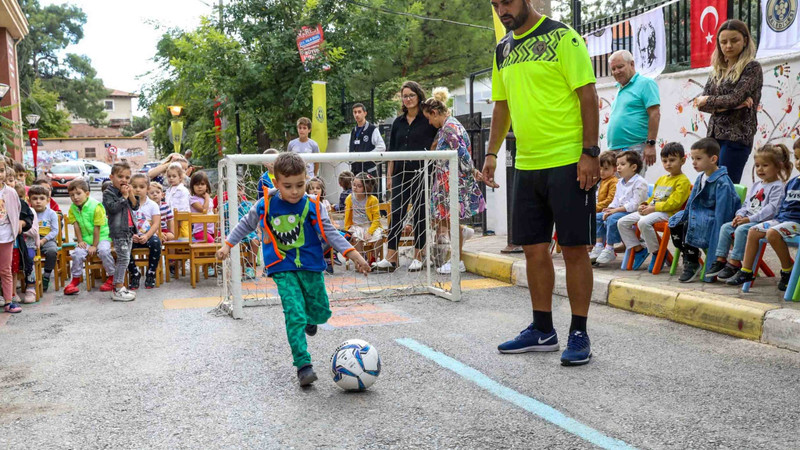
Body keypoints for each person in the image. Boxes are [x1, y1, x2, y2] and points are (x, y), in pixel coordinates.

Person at [483, 0, 599, 366]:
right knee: (533, 249)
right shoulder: (503, 49)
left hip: (568, 160)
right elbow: (502, 106)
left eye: (508, 2)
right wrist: (490, 154)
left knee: (574, 249)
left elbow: (588, 96)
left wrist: (590, 153)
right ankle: (542, 329)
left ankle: (579, 332)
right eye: (496, 4)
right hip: (527, 163)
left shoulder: (563, 37)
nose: (503, 10)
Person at [216, 152, 371, 387]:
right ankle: (303, 364)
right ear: (276, 183)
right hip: (281, 266)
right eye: (287, 186)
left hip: (311, 265)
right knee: (293, 313)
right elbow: (245, 224)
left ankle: (311, 318)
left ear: (306, 179)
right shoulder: (266, 203)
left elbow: (330, 233)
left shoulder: (312, 205)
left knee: (320, 311)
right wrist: (228, 245)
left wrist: (355, 255)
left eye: (300, 185)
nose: (295, 191)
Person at [373, 81, 438, 273]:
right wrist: (390, 176)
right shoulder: (397, 122)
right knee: (397, 213)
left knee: (420, 213)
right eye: (405, 96)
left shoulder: (427, 119)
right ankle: (391, 257)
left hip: (422, 172)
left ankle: (419, 256)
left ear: (419, 96)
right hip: (400, 173)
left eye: (411, 95)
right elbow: (392, 150)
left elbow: (438, 138)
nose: (408, 99)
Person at [420, 87, 486, 275]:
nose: (430, 123)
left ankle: (457, 261)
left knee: (450, 218)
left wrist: (472, 170)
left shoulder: (449, 128)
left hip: (452, 181)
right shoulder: (449, 125)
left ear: (434, 113)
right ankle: (462, 235)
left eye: (429, 118)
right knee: (443, 217)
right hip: (446, 181)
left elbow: (462, 153)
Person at [707, 143, 791, 282]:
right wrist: (739, 215)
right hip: (749, 219)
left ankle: (735, 262)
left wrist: (749, 219)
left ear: (778, 166)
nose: (760, 169)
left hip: (763, 222)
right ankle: (721, 260)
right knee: (726, 227)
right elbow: (746, 204)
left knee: (741, 230)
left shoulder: (778, 186)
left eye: (765, 165)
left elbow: (771, 209)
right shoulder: (757, 185)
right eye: (757, 165)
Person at [694, 19, 763, 184]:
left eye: (734, 40)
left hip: (736, 135)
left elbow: (733, 98)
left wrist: (711, 101)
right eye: (723, 42)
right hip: (713, 137)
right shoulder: (718, 69)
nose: (728, 45)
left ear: (745, 40)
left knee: (726, 185)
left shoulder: (752, 67)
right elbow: (700, 104)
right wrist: (728, 105)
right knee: (710, 185)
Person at [726, 140, 800, 288]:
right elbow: (783, 207)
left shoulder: (781, 185)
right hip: (782, 220)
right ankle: (746, 271)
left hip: (797, 223)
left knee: (772, 233)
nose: (798, 162)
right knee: (753, 230)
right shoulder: (793, 183)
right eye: (797, 158)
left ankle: (787, 271)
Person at [668, 138, 740, 283]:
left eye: (698, 158)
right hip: (699, 214)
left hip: (713, 218)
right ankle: (691, 258)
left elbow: (723, 213)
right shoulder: (701, 177)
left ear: (713, 159)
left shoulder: (722, 182)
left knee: (689, 224)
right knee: (676, 222)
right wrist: (684, 215)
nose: (694, 162)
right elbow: (691, 202)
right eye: (693, 158)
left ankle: (693, 262)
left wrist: (716, 248)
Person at [616, 143, 691, 271]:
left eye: (672, 160)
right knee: (622, 222)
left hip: (668, 214)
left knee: (643, 222)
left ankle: (657, 253)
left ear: (682, 160)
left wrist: (653, 208)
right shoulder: (662, 179)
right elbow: (653, 198)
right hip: (653, 210)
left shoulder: (683, 181)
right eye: (665, 161)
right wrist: (644, 205)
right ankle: (639, 249)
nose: (668, 164)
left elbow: (674, 203)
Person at [606, 50, 661, 174]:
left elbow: (654, 114)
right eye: (613, 69)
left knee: (632, 190)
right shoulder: (620, 88)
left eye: (620, 67)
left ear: (632, 64)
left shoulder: (645, 83)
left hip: (634, 149)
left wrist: (651, 144)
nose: (616, 72)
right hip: (615, 151)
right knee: (617, 191)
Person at [593, 151, 648, 265]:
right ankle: (598, 246)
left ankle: (609, 248)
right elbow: (616, 200)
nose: (618, 167)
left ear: (633, 167)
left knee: (612, 219)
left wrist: (615, 210)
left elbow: (635, 204)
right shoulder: (620, 182)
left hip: (634, 212)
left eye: (622, 164)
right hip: (620, 211)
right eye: (617, 164)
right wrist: (609, 209)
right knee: (598, 217)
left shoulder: (640, 182)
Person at [64, 179, 115, 296]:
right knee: (77, 253)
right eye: (72, 195)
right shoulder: (73, 208)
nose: (75, 197)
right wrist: (81, 241)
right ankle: (75, 280)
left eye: (78, 194)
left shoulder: (96, 206)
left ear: (87, 194)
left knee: (103, 251)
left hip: (102, 236)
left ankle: (112, 277)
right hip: (86, 239)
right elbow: (76, 226)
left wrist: (94, 246)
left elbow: (97, 228)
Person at [102, 161, 138, 301]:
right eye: (120, 176)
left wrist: (130, 195)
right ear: (112, 177)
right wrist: (123, 197)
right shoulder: (108, 193)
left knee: (125, 258)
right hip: (118, 231)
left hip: (129, 230)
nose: (124, 180)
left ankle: (120, 287)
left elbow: (135, 207)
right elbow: (112, 208)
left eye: (127, 177)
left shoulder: (127, 191)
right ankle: (117, 288)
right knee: (123, 259)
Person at [127, 173, 162, 290]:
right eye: (134, 186)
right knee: (122, 245)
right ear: (129, 187)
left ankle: (151, 272)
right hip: (132, 236)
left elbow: (156, 223)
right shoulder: (126, 204)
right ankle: (134, 272)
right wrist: (132, 235)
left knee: (156, 243)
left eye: (141, 187)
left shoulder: (152, 205)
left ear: (147, 188)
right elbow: (124, 223)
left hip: (148, 235)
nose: (137, 190)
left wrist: (147, 236)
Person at [0, 158, 23, 313]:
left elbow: (16, 210)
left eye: (1, 170)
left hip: (5, 236)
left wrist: (15, 230)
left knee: (5, 269)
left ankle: (9, 301)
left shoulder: (10, 192)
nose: (0, 174)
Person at [344, 172, 382, 260]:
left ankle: (373, 258)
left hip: (370, 225)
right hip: (357, 226)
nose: (355, 188)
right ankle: (361, 259)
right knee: (356, 237)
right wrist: (347, 229)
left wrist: (370, 231)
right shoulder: (349, 198)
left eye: (359, 186)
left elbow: (376, 219)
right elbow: (347, 215)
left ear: (366, 188)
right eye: (354, 185)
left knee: (379, 237)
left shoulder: (372, 200)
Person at [29, 184, 59, 292]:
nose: (38, 201)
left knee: (52, 251)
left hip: (47, 239)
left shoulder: (51, 214)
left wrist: (43, 240)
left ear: (47, 200)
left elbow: (55, 230)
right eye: (35, 199)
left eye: (42, 198)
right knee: (26, 254)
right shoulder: (28, 213)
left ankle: (46, 275)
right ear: (30, 200)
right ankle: (30, 278)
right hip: (31, 239)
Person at [13, 183, 37, 304]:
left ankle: (31, 286)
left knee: (29, 258)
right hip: (16, 242)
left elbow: (34, 230)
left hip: (29, 244)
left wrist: (21, 225)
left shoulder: (28, 209)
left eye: (20, 196)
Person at [349, 103, 386, 178]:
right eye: (355, 112)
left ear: (365, 113)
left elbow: (382, 147)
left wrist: (367, 156)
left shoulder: (372, 129)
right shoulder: (353, 131)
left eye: (359, 112)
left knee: (371, 189)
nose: (357, 114)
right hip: (355, 171)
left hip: (369, 171)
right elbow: (349, 148)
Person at [165, 163, 191, 239]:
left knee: (184, 234)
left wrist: (180, 217)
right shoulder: (168, 191)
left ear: (180, 177)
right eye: (169, 176)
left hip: (183, 218)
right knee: (174, 235)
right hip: (171, 219)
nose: (171, 178)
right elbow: (168, 205)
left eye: (174, 176)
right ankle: (177, 250)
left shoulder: (183, 190)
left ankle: (187, 248)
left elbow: (184, 205)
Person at [189, 171, 214, 243]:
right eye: (197, 184)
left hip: (212, 230)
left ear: (207, 186)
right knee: (213, 244)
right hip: (200, 231)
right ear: (192, 187)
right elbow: (204, 210)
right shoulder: (193, 199)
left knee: (225, 240)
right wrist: (207, 198)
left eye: (202, 184)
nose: (199, 186)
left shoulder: (210, 200)